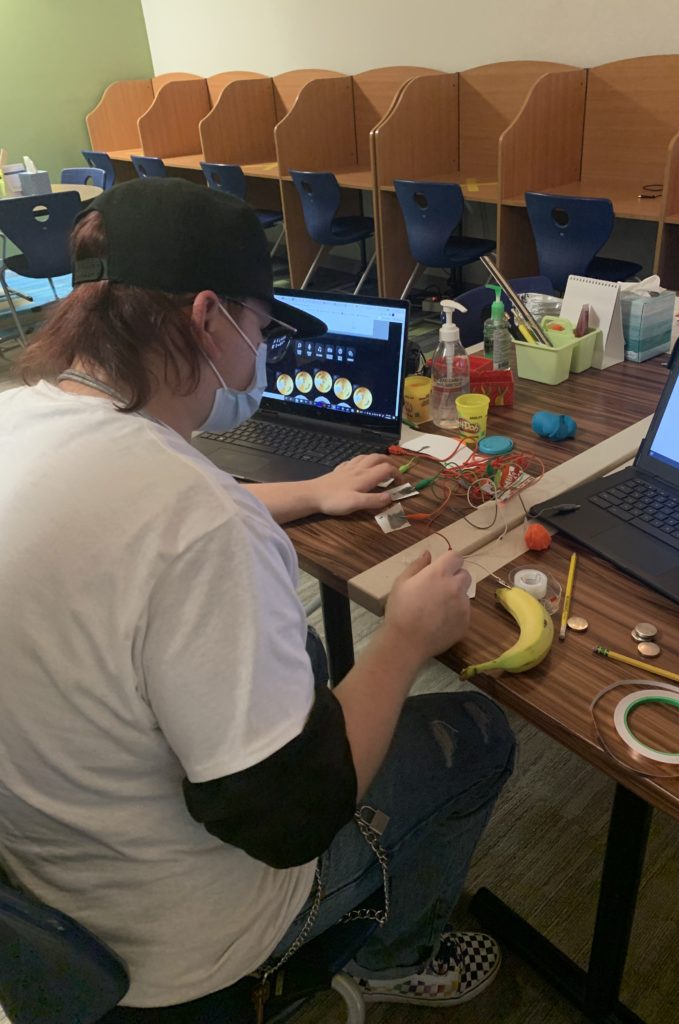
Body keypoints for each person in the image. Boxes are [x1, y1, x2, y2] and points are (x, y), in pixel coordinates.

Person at [0, 177, 515, 1021]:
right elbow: (293, 822)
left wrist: (309, 492)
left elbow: (129, 528)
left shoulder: (19, 420)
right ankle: (396, 957)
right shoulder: (198, 520)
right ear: (208, 318)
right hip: (193, 939)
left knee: (306, 671)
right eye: (264, 328)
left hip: (48, 882)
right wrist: (404, 642)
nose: (262, 354)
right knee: (477, 733)